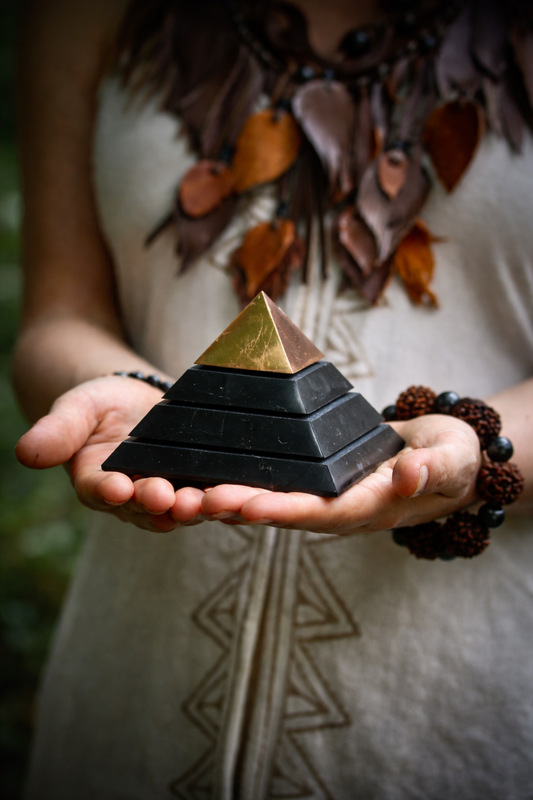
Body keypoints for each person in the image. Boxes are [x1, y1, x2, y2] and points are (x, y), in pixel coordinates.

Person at [13, 0, 533, 797]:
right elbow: (60, 313)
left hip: (454, 717)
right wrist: (143, 402)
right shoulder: (82, 14)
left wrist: (477, 453)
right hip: (131, 696)